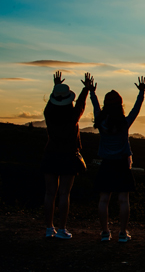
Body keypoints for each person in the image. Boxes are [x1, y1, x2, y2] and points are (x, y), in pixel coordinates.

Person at [90, 76, 145, 243]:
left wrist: (92, 92)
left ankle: (105, 232)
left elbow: (95, 106)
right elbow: (136, 109)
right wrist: (141, 92)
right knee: (123, 200)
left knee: (104, 199)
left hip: (106, 163)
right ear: (120, 105)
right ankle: (122, 233)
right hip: (122, 164)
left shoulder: (101, 122)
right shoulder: (124, 123)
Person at [42, 71, 92, 239]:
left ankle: (49, 228)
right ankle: (62, 229)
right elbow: (81, 104)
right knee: (64, 193)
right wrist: (86, 88)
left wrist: (56, 86)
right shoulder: (72, 116)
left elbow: (53, 102)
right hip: (68, 155)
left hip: (51, 153)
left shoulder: (49, 113)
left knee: (50, 193)